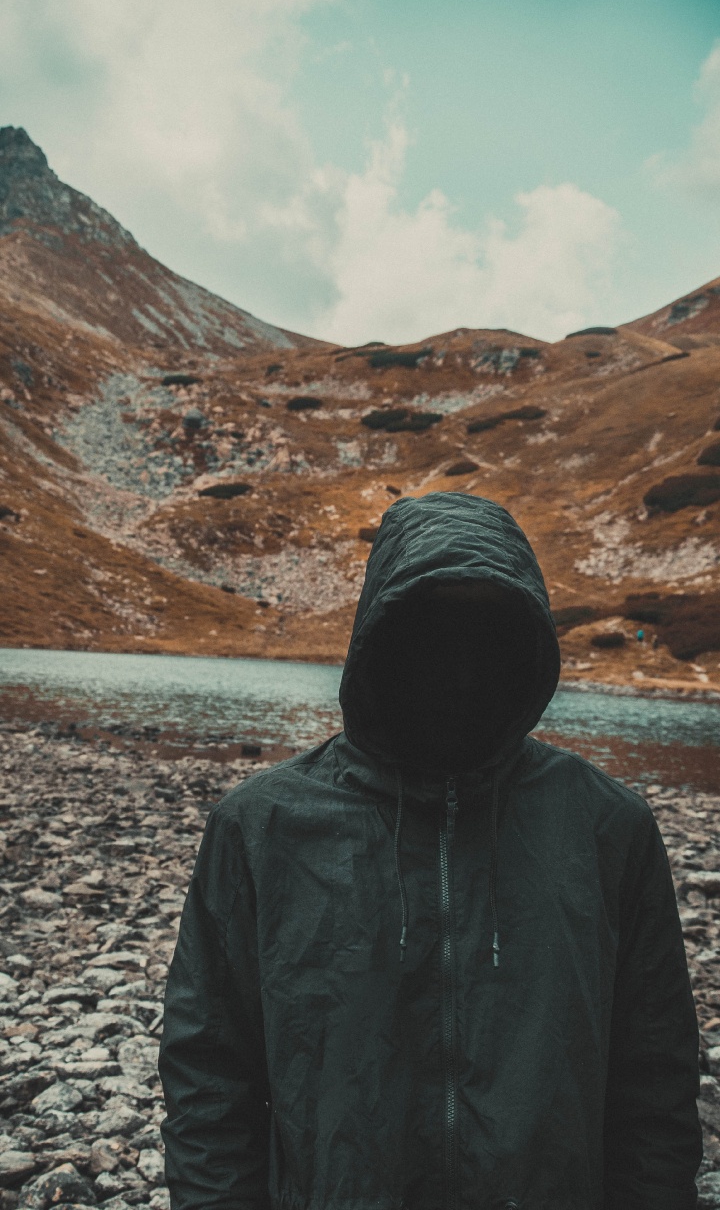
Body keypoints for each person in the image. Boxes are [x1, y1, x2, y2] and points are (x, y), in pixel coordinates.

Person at [158, 491, 702, 1210]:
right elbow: (209, 1074)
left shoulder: (605, 828)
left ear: (527, 644)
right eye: (430, 630)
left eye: (489, 633)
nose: (461, 667)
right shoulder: (264, 827)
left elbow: (655, 1079)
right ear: (379, 637)